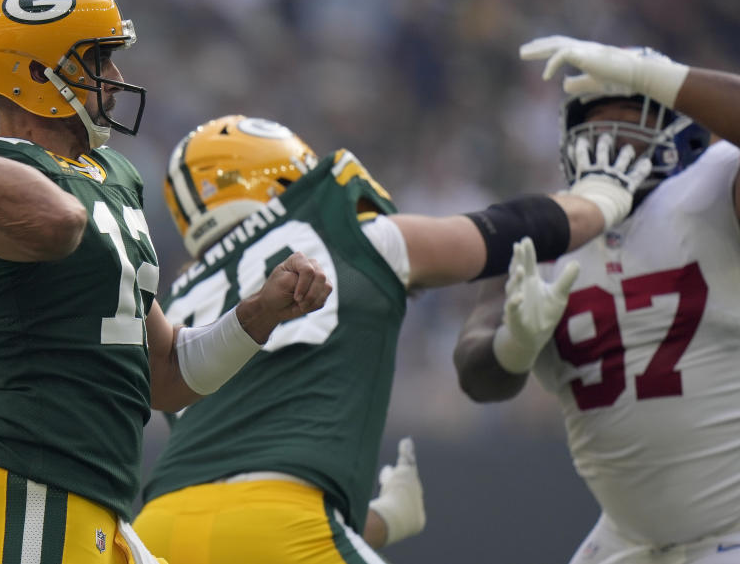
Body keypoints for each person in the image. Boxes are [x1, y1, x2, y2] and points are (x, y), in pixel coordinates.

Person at [0, 0, 332, 564]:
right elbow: (57, 223)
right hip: (32, 491)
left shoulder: (112, 177)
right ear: (39, 73)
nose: (116, 78)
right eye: (98, 60)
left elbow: (166, 375)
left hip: (97, 505)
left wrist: (259, 313)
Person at [132, 109, 653, 563]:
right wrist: (600, 199)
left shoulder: (177, 299)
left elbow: (226, 493)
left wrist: (376, 522)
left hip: (156, 529)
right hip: (282, 520)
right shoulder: (353, 238)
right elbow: (503, 230)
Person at [453, 36, 740, 564]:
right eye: (593, 119)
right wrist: (514, 345)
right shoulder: (549, 225)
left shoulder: (717, 187)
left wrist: (662, 75)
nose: (606, 134)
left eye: (632, 114)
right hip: (626, 539)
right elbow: (475, 372)